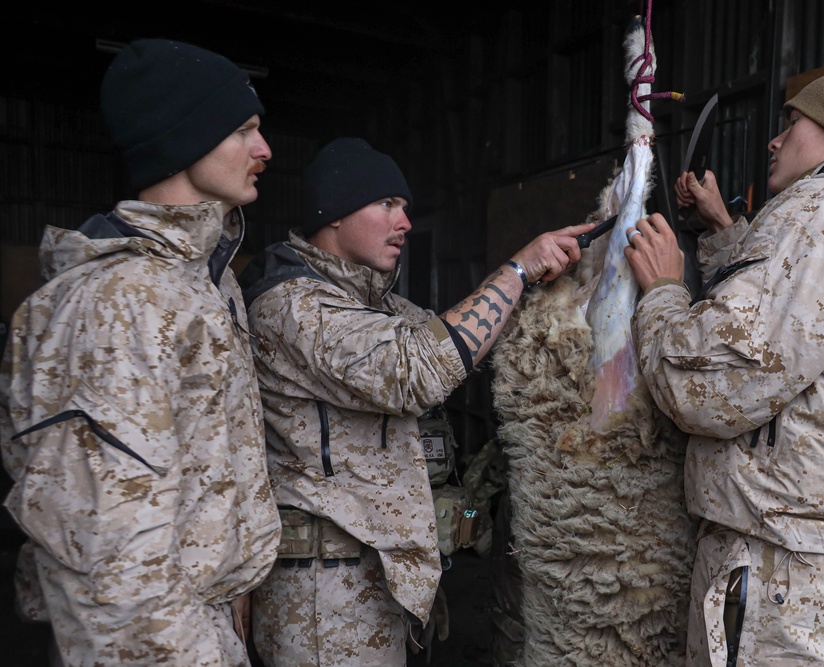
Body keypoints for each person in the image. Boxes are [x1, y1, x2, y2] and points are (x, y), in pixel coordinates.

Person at [623, 64, 824, 665]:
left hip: (781, 581)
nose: (774, 140)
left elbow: (709, 386)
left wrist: (664, 292)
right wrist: (725, 234)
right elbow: (797, 328)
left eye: (793, 121)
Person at [238, 137, 592, 667]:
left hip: (380, 576)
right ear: (332, 214)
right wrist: (516, 269)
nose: (404, 221)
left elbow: (460, 343)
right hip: (322, 601)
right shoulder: (293, 306)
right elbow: (418, 371)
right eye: (386, 204)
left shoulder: (378, 305)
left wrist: (551, 286)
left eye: (404, 206)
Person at [0, 39, 281, 666]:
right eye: (243, 130)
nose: (264, 151)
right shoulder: (115, 302)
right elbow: (114, 570)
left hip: (202, 619)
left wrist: (230, 588)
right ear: (184, 141)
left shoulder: (207, 280)